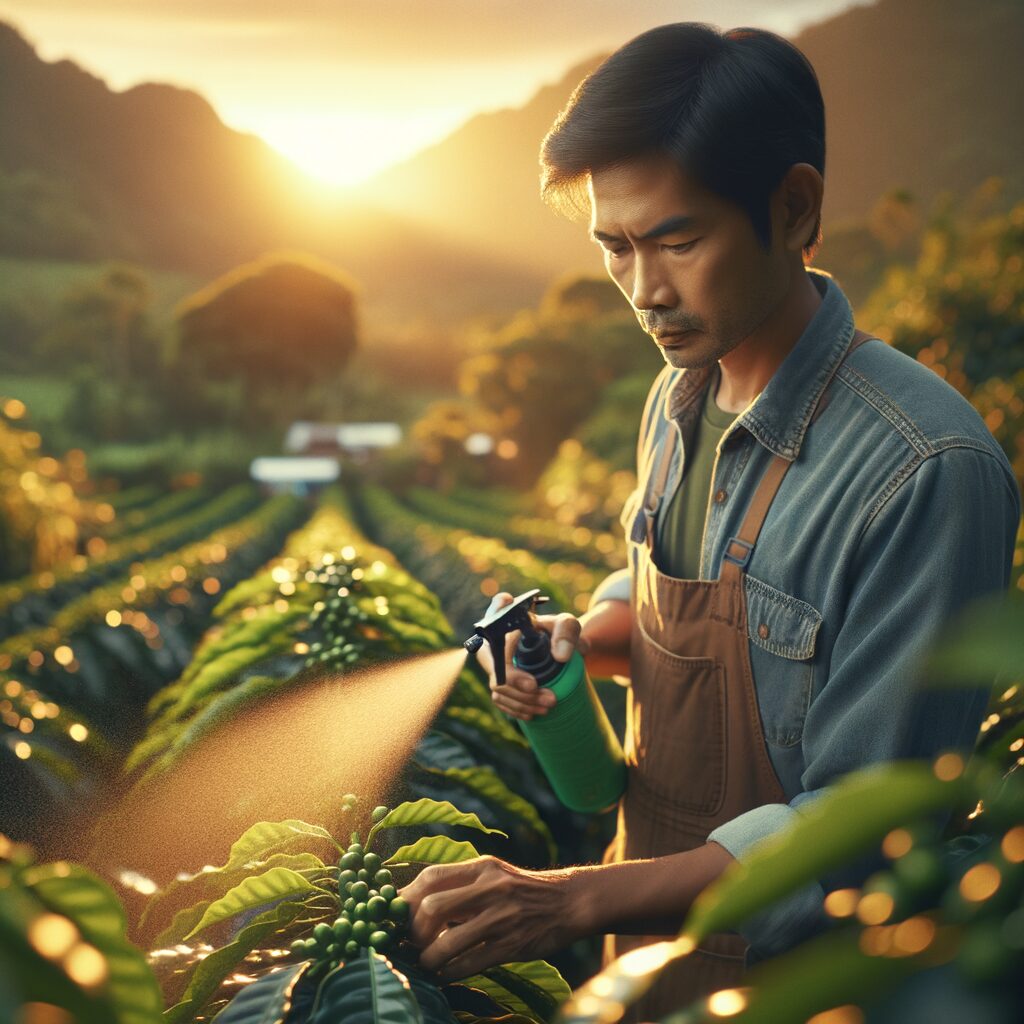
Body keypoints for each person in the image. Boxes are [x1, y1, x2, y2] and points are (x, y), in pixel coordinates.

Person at [398, 22, 1021, 1018]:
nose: (645, 289)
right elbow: (660, 590)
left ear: (793, 207)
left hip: (804, 984)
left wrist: (565, 897)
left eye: (678, 240)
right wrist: (586, 636)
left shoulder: (923, 469)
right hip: (653, 952)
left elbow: (862, 826)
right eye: (615, 247)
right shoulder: (678, 397)